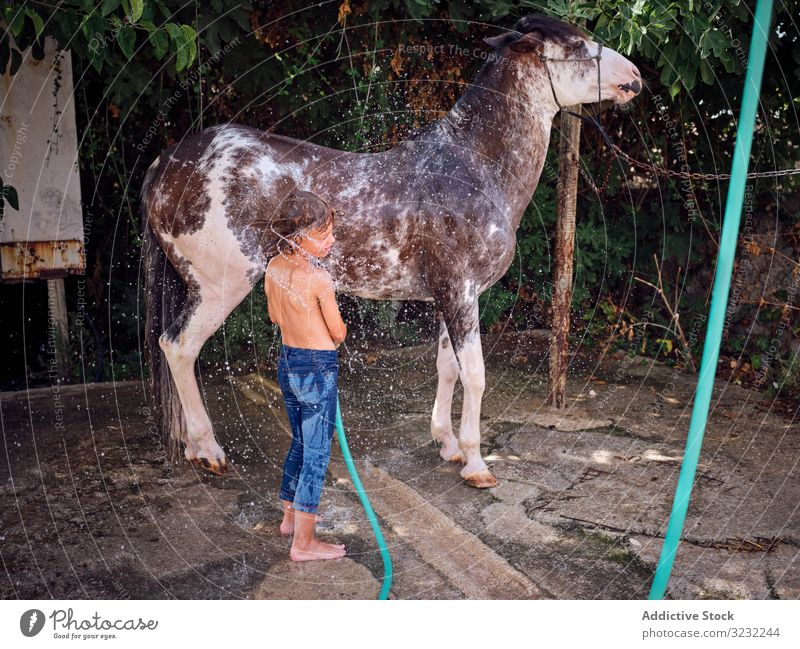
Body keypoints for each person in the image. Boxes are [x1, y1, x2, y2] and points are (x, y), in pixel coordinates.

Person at [264, 190, 348, 562]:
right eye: (325, 233)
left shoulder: (273, 267)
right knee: (317, 453)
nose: (332, 240)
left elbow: (275, 317)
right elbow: (339, 332)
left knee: (299, 441)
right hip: (317, 368)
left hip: (288, 362)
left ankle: (289, 518)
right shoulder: (319, 279)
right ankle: (304, 543)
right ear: (300, 236)